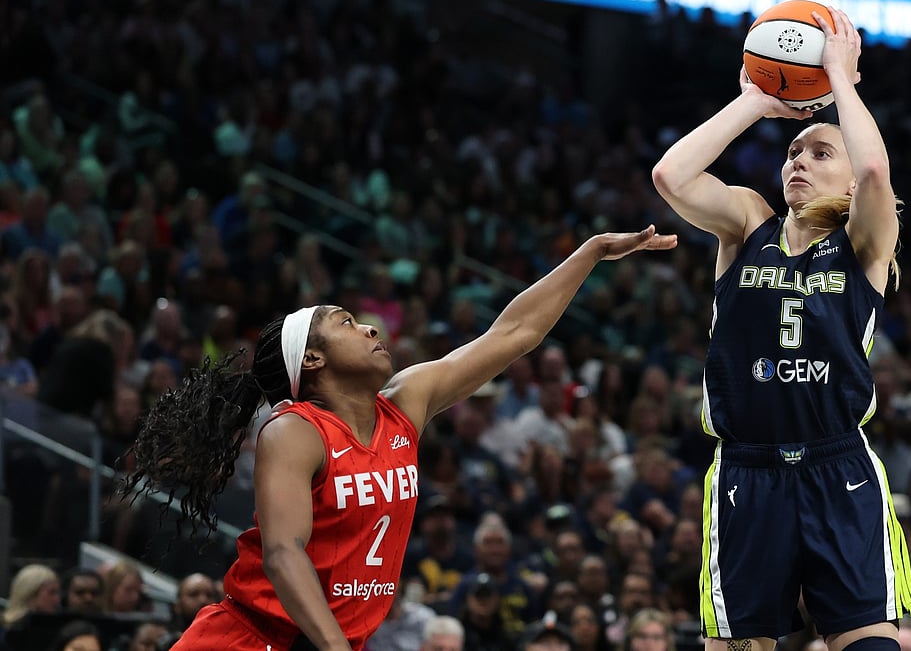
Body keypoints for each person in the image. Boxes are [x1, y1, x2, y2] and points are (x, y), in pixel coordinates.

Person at [124, 227, 676, 650]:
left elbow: (513, 334)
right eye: (345, 323)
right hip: (252, 637)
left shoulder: (406, 403)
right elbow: (282, 553)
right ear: (311, 359)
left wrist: (591, 253)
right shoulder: (294, 430)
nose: (368, 327)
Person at [651, 7, 911, 651]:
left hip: (839, 464)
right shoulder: (749, 224)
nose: (797, 160)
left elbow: (877, 173)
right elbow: (670, 176)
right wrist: (753, 102)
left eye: (820, 152)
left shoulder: (863, 241)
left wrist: (840, 79)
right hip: (748, 468)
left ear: (849, 178)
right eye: (794, 151)